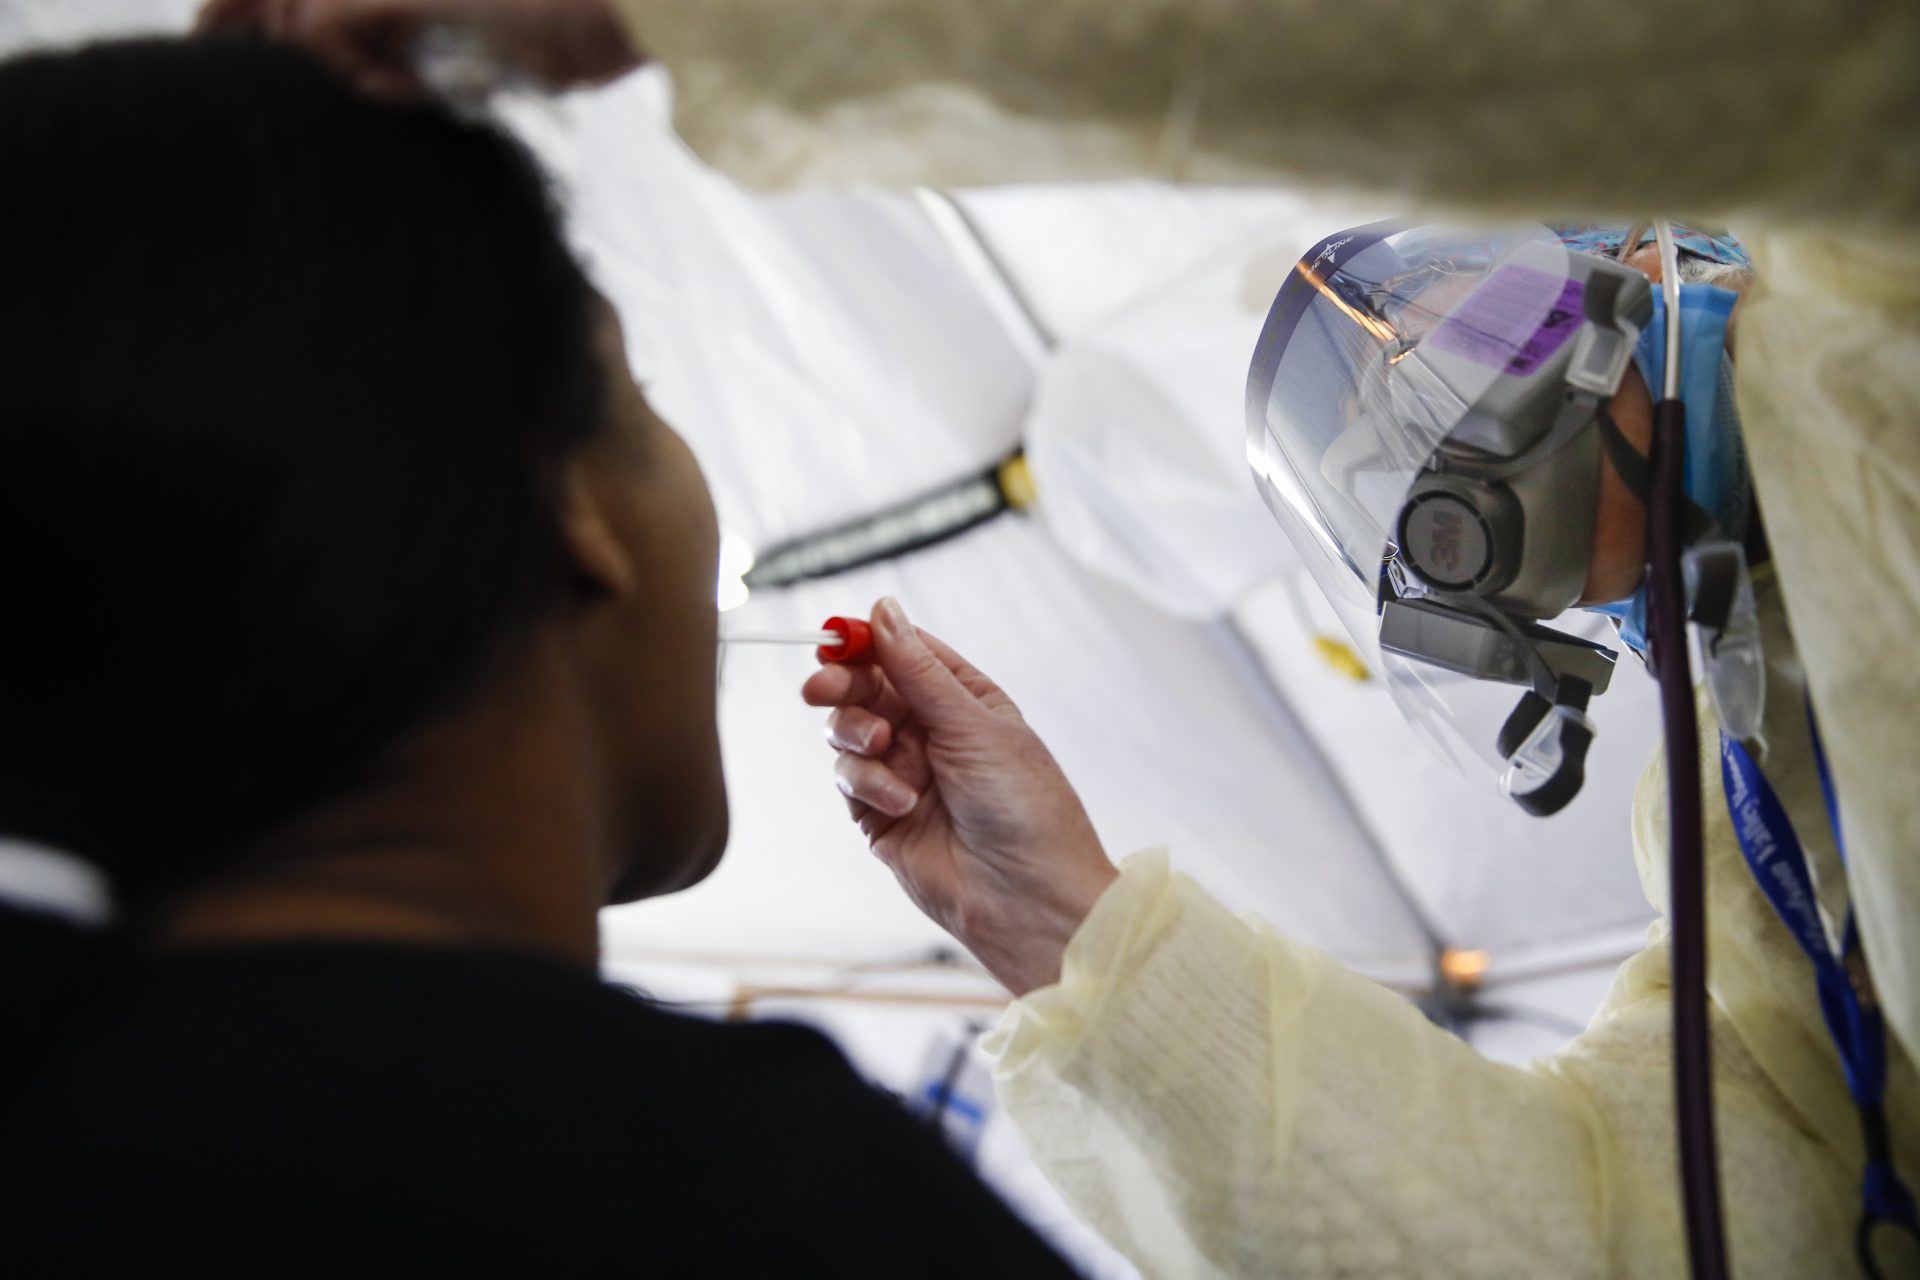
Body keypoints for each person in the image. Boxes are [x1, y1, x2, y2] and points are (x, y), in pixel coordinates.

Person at [201, 1, 1920, 1273]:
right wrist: (1079, 943)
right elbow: (1671, 1233)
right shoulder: (1760, 803)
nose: (1463, 362)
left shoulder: (1876, 290)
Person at [0, 36, 1080, 1276]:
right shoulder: (729, 1196)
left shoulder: (83, 1137)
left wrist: (1069, 938)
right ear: (566, 502)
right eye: (635, 386)